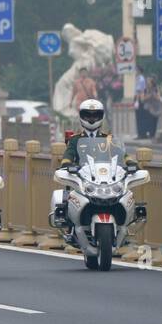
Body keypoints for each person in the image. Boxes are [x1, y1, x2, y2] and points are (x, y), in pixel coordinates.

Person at [54, 98, 137, 229]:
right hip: (83, 179)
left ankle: (123, 226)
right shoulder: (75, 140)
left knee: (124, 195)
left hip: (106, 178)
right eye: (88, 115)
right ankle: (69, 223)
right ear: (81, 116)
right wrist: (67, 164)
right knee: (65, 199)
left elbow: (120, 153)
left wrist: (131, 163)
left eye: (95, 115)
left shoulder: (107, 138)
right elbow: (68, 154)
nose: (91, 118)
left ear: (101, 116)